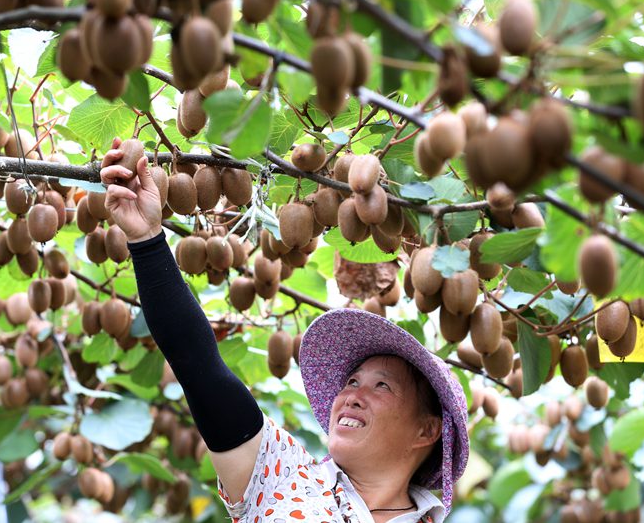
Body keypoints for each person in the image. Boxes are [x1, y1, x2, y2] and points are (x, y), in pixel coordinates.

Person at [101, 141, 469, 523]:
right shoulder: (282, 474)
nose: (351, 396)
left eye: (381, 386)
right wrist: (146, 240)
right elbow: (198, 368)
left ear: (426, 430)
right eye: (353, 380)